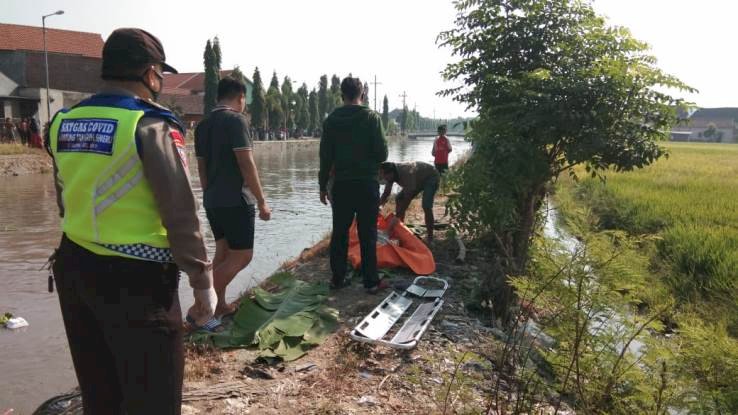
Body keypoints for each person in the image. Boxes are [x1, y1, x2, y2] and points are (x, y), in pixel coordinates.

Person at [47, 28, 216, 414]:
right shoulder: (151, 125)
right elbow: (181, 211)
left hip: (73, 268)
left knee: (100, 392)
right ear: (151, 72)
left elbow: (64, 197)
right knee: (153, 398)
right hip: (137, 282)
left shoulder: (63, 122)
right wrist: (202, 283)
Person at [194, 76, 271, 320]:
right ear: (240, 97)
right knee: (243, 255)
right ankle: (202, 306)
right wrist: (261, 201)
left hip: (213, 199)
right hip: (236, 199)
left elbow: (201, 168)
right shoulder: (237, 120)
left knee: (223, 252)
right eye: (244, 100)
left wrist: (209, 195)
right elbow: (246, 163)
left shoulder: (203, 125)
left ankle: (220, 305)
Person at [319, 77, 388, 293]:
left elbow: (325, 158)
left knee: (339, 232)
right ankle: (371, 281)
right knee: (368, 233)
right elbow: (382, 153)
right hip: (367, 184)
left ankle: (337, 278)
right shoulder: (372, 118)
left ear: (342, 95)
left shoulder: (331, 120)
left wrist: (322, 186)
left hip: (342, 186)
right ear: (363, 94)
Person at [379, 161, 440, 242]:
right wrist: (378, 206)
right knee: (399, 199)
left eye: (385, 176)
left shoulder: (406, 172)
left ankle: (430, 237)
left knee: (426, 206)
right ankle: (401, 228)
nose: (383, 178)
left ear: (391, 173)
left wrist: (397, 216)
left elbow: (407, 198)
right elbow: (386, 192)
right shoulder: (390, 174)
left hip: (431, 177)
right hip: (417, 179)